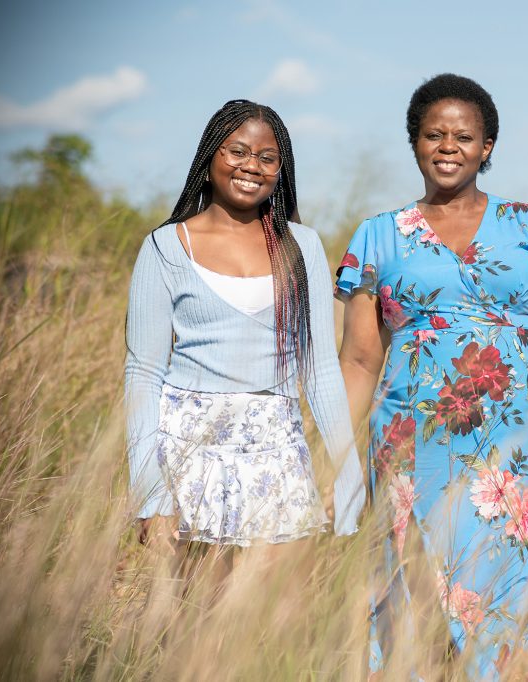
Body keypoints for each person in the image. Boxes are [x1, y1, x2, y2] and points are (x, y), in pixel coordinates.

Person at [336, 73, 528, 679]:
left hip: (513, 455)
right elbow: (358, 360)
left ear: (487, 147)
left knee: (517, 600)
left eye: (464, 136)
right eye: (434, 134)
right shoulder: (378, 236)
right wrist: (335, 459)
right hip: (409, 453)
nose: (448, 146)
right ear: (415, 143)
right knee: (412, 605)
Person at [125, 100, 365, 564]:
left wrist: (347, 470)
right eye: (237, 151)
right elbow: (143, 374)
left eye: (267, 157)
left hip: (277, 449)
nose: (251, 166)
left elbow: (320, 371)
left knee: (276, 618)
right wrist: (149, 493)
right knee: (196, 613)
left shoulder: (303, 247)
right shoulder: (166, 246)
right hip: (190, 452)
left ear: (281, 169)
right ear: (210, 156)